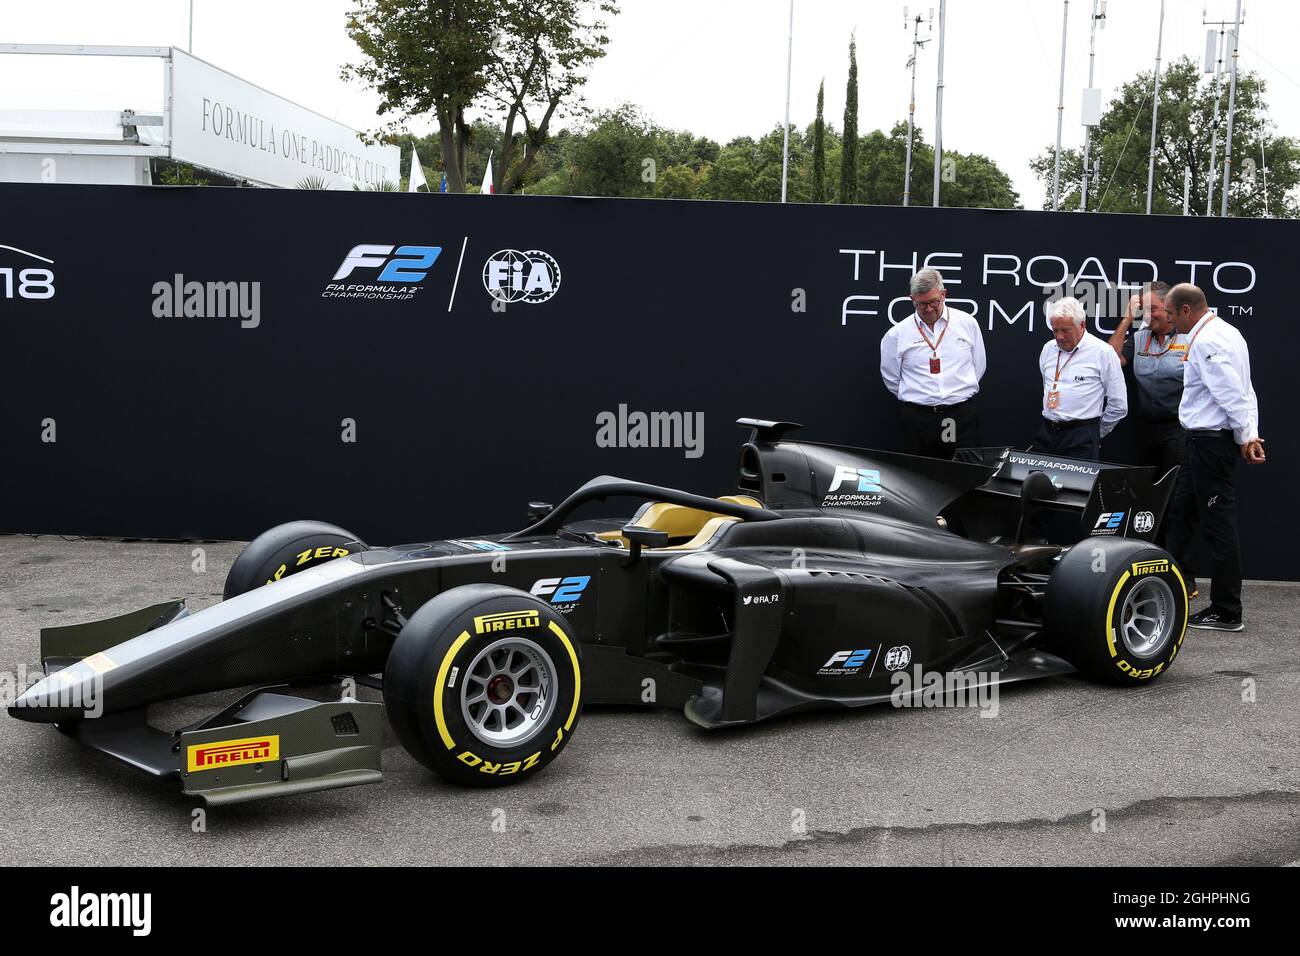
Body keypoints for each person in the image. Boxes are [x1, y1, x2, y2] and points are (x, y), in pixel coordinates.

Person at [1163, 283, 1264, 632]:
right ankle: (1173, 592)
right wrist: (1247, 431)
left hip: (1210, 444)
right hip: (1200, 443)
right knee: (1179, 512)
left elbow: (1232, 392)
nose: (1171, 321)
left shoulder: (1207, 340)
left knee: (1217, 524)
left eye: (1172, 314)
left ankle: (1227, 610)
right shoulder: (1227, 331)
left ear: (1186, 310)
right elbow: (1246, 389)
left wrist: (1245, 435)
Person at [880, 268, 987, 459]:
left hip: (959, 415)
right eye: (921, 304)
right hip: (918, 418)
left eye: (933, 302)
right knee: (918, 476)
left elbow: (978, 365)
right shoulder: (897, 334)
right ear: (912, 299)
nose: (928, 309)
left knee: (965, 472)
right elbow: (891, 377)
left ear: (943, 294)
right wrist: (921, 397)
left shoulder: (967, 323)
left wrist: (954, 393)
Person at [1107, 281, 1186, 477]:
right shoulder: (1140, 337)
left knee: (1172, 488)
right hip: (1144, 428)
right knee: (1143, 488)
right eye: (1144, 310)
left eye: (1153, 309)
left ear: (1169, 307)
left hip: (1178, 428)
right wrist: (1126, 319)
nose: (1147, 315)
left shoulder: (1189, 338)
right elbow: (1111, 360)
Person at [1033, 296, 1127, 459]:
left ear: (1082, 325)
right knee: (1037, 483)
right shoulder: (1048, 349)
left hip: (1082, 438)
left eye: (1065, 330)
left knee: (1075, 485)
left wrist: (1094, 432)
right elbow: (1046, 388)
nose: (1060, 337)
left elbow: (1119, 405)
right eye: (1055, 330)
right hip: (1047, 433)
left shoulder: (1103, 352)